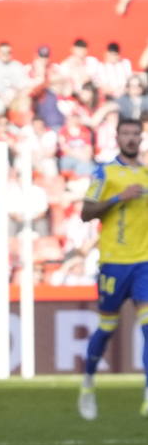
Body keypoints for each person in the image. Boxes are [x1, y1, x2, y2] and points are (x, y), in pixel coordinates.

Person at [78, 118, 148, 420]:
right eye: (126, 134)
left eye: (136, 134)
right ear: (117, 137)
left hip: (144, 263)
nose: (131, 139)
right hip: (113, 264)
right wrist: (120, 197)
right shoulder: (104, 172)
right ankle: (88, 382)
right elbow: (85, 212)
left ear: (141, 138)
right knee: (107, 328)